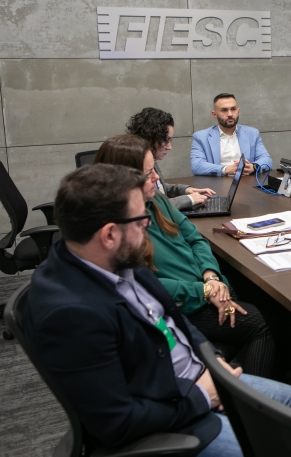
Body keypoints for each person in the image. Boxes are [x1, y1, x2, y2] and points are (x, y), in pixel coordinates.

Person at [22, 163, 291, 456]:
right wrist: (204, 396)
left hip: (194, 377)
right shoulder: (71, 315)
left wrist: (212, 361)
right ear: (109, 235)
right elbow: (116, 423)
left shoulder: (116, 260)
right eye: (141, 219)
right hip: (170, 409)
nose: (147, 225)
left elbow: (175, 321)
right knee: (281, 434)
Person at [96, 135, 276, 378]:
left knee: (265, 301)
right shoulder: (119, 228)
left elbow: (195, 239)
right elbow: (143, 286)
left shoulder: (157, 201)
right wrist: (204, 291)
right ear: (123, 178)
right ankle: (252, 403)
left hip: (204, 287)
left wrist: (211, 276)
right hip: (179, 306)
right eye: (148, 173)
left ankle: (241, 379)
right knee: (259, 324)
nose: (157, 177)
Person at [126, 107, 215, 210]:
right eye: (166, 140)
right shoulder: (134, 163)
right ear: (150, 137)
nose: (169, 147)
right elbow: (152, 207)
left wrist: (187, 190)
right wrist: (189, 199)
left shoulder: (149, 157)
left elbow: (160, 188)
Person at [191, 93, 272, 177]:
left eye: (233, 109)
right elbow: (197, 166)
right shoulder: (201, 137)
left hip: (246, 182)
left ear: (238, 111)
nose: (230, 114)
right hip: (217, 184)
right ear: (214, 114)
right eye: (224, 110)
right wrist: (225, 169)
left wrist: (254, 167)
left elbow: (267, 160)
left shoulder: (252, 133)